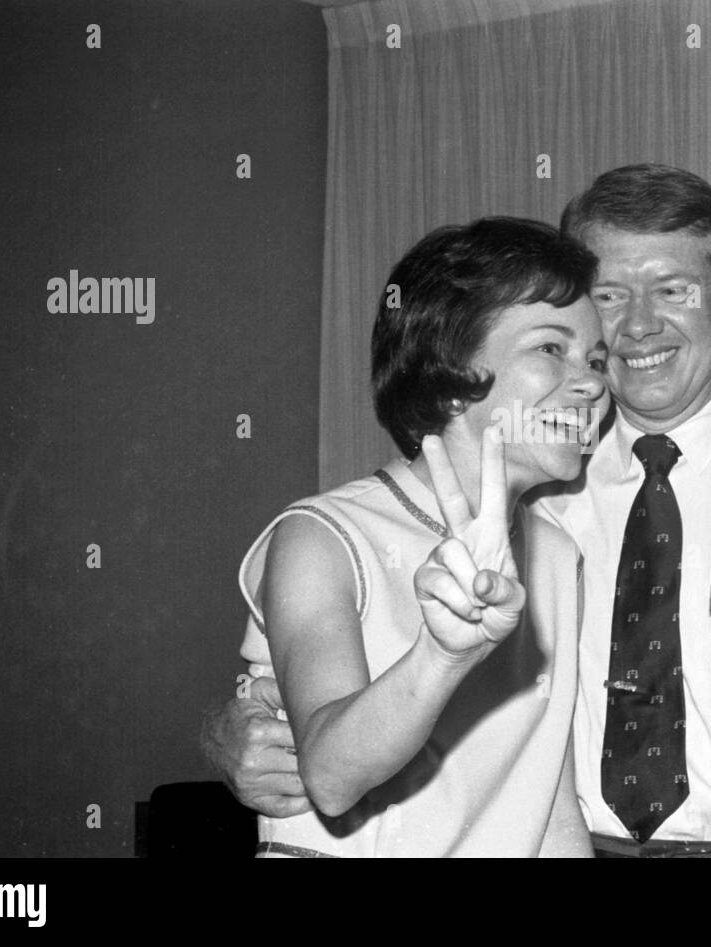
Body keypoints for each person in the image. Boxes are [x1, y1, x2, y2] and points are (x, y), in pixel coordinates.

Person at [205, 165, 711, 856]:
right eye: (608, 298)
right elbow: (336, 657)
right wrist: (239, 728)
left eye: (672, 289)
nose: (637, 326)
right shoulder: (540, 487)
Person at [231, 216, 608, 856]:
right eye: (551, 349)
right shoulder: (321, 537)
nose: (593, 381)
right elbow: (330, 776)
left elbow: (551, 810)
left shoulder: (555, 555)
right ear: (452, 374)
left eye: (595, 360)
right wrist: (445, 655)